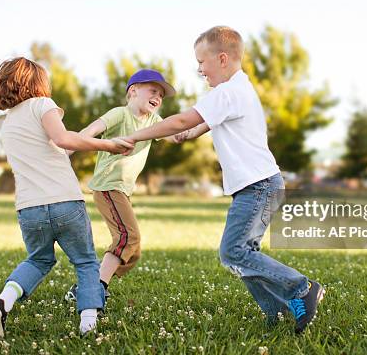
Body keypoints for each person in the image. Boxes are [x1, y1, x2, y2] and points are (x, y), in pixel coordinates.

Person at [125, 26, 325, 333]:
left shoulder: (227, 91)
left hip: (257, 186)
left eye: (201, 62)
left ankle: (300, 288)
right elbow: (205, 123)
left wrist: (136, 136)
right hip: (261, 185)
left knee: (233, 252)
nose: (199, 69)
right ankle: (280, 310)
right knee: (245, 254)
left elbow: (181, 119)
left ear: (221, 58)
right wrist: (191, 133)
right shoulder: (237, 89)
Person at [0, 57, 133, 338]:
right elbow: (64, 139)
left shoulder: (8, 123)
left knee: (38, 260)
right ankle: (89, 325)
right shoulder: (42, 104)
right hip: (64, 202)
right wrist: (107, 145)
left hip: (29, 210)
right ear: (38, 84)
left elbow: (54, 150)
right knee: (86, 262)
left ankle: (2, 303)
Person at [64, 69, 177, 308]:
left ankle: (88, 286)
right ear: (133, 91)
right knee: (128, 237)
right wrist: (67, 149)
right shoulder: (119, 114)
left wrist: (208, 122)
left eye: (161, 94)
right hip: (108, 185)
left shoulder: (153, 121)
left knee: (132, 250)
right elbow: (90, 131)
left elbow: (177, 135)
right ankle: (93, 289)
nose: (158, 96)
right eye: (153, 90)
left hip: (121, 190)